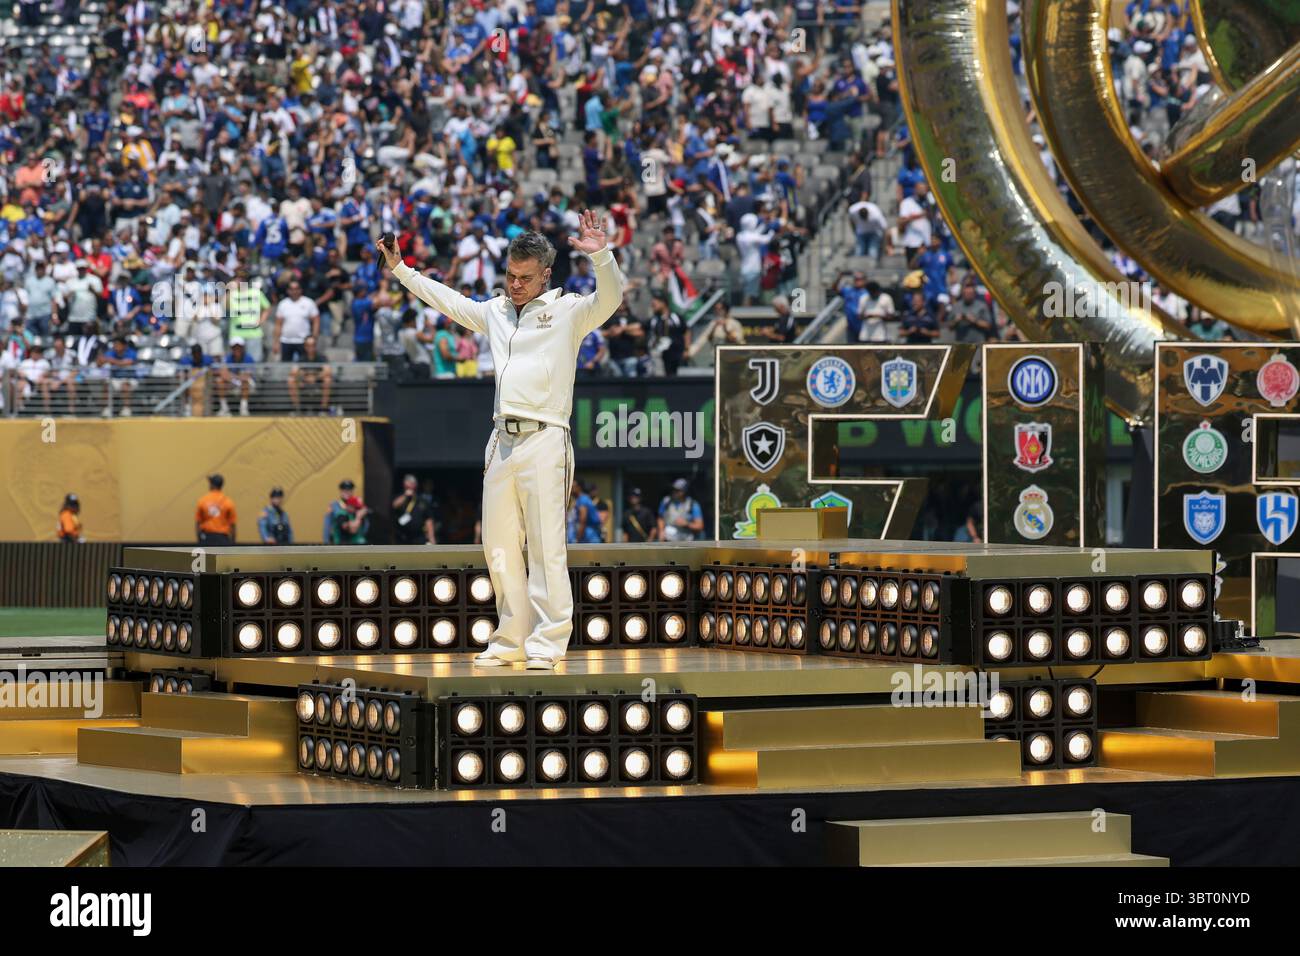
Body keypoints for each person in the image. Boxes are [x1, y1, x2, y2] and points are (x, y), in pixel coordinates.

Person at [379, 211, 624, 670]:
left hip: (546, 436)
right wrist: (401, 270)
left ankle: (548, 644)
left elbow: (610, 300)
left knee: (546, 547)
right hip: (501, 440)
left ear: (545, 275)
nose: (515, 285)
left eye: (525, 278)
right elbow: (448, 301)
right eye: (510, 276)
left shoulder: (568, 309)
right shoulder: (494, 311)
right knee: (498, 547)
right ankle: (510, 639)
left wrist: (602, 257)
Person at [392, 474, 436, 544]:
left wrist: (431, 537)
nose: (410, 485)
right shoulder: (399, 497)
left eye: (412, 483)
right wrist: (405, 496)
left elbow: (428, 520)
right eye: (408, 483)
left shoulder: (422, 501)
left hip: (418, 537)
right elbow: (394, 505)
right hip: (401, 536)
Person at [196, 474, 237, 545]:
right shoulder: (228, 502)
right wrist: (232, 543)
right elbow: (232, 525)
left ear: (212, 485)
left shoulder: (203, 500)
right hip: (223, 539)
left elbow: (198, 523)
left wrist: (200, 541)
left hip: (207, 538)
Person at [327, 479, 370, 544]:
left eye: (349, 490)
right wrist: (358, 517)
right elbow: (351, 529)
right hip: (342, 541)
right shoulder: (336, 506)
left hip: (356, 541)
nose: (347, 492)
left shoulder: (356, 504)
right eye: (344, 490)